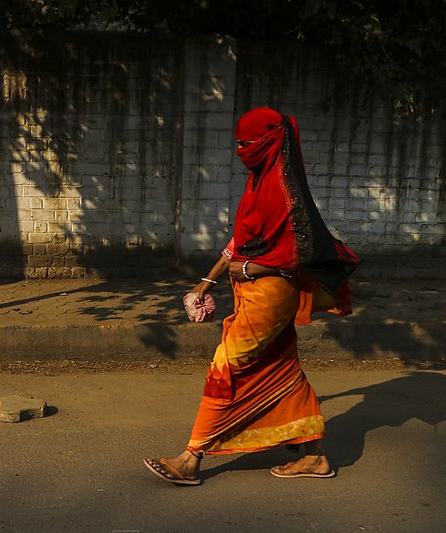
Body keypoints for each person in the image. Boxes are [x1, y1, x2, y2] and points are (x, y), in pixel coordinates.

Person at [143, 107, 359, 485]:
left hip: (271, 294)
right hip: (251, 293)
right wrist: (207, 281)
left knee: (226, 366)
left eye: (247, 143)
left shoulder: (281, 187)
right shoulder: (259, 180)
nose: (241, 150)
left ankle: (191, 458)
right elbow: (241, 242)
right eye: (238, 144)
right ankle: (315, 458)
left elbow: (297, 251)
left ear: (269, 140)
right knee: (283, 370)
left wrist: (250, 269)